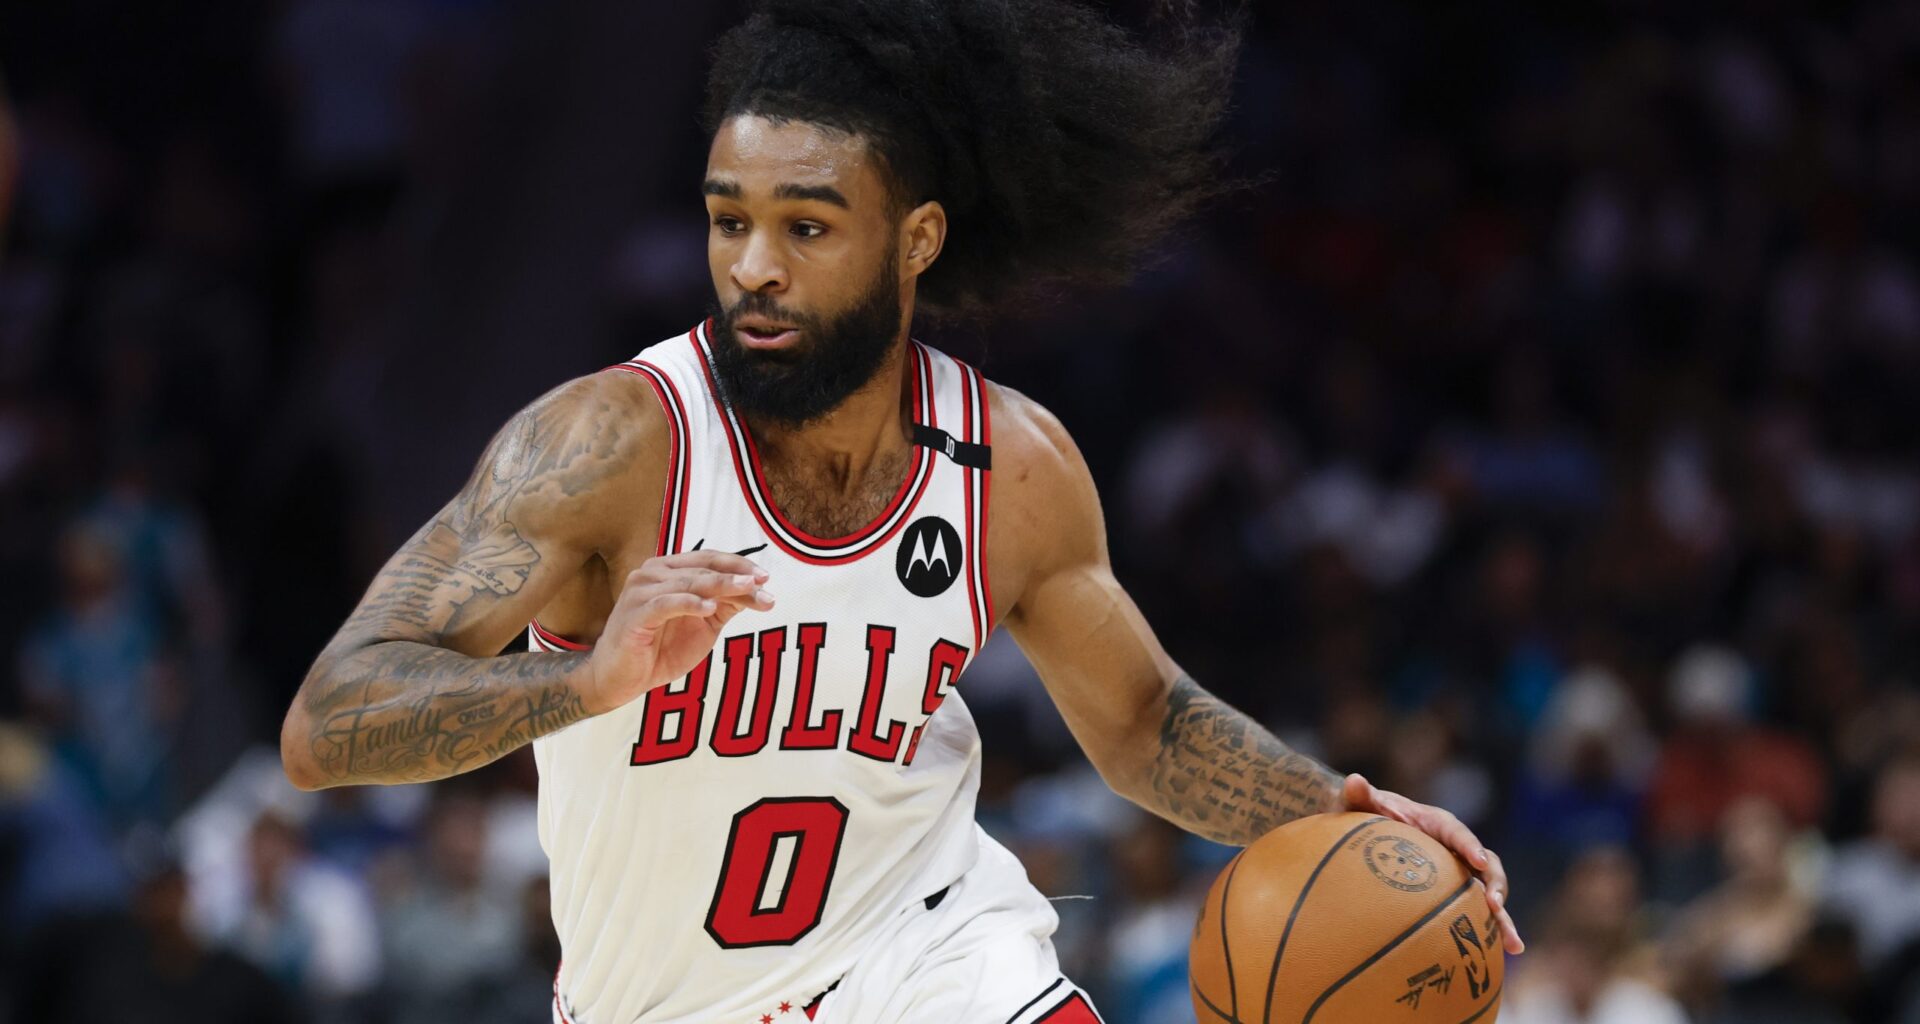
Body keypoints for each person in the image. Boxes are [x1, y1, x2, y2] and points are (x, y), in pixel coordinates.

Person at [278, 1, 1522, 1021]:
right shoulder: (610, 444)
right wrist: (586, 682)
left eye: (805, 226)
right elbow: (329, 723)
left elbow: (1143, 721)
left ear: (915, 238)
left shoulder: (1010, 464)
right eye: (729, 221)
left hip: (938, 961)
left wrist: (1342, 810)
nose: (753, 265)